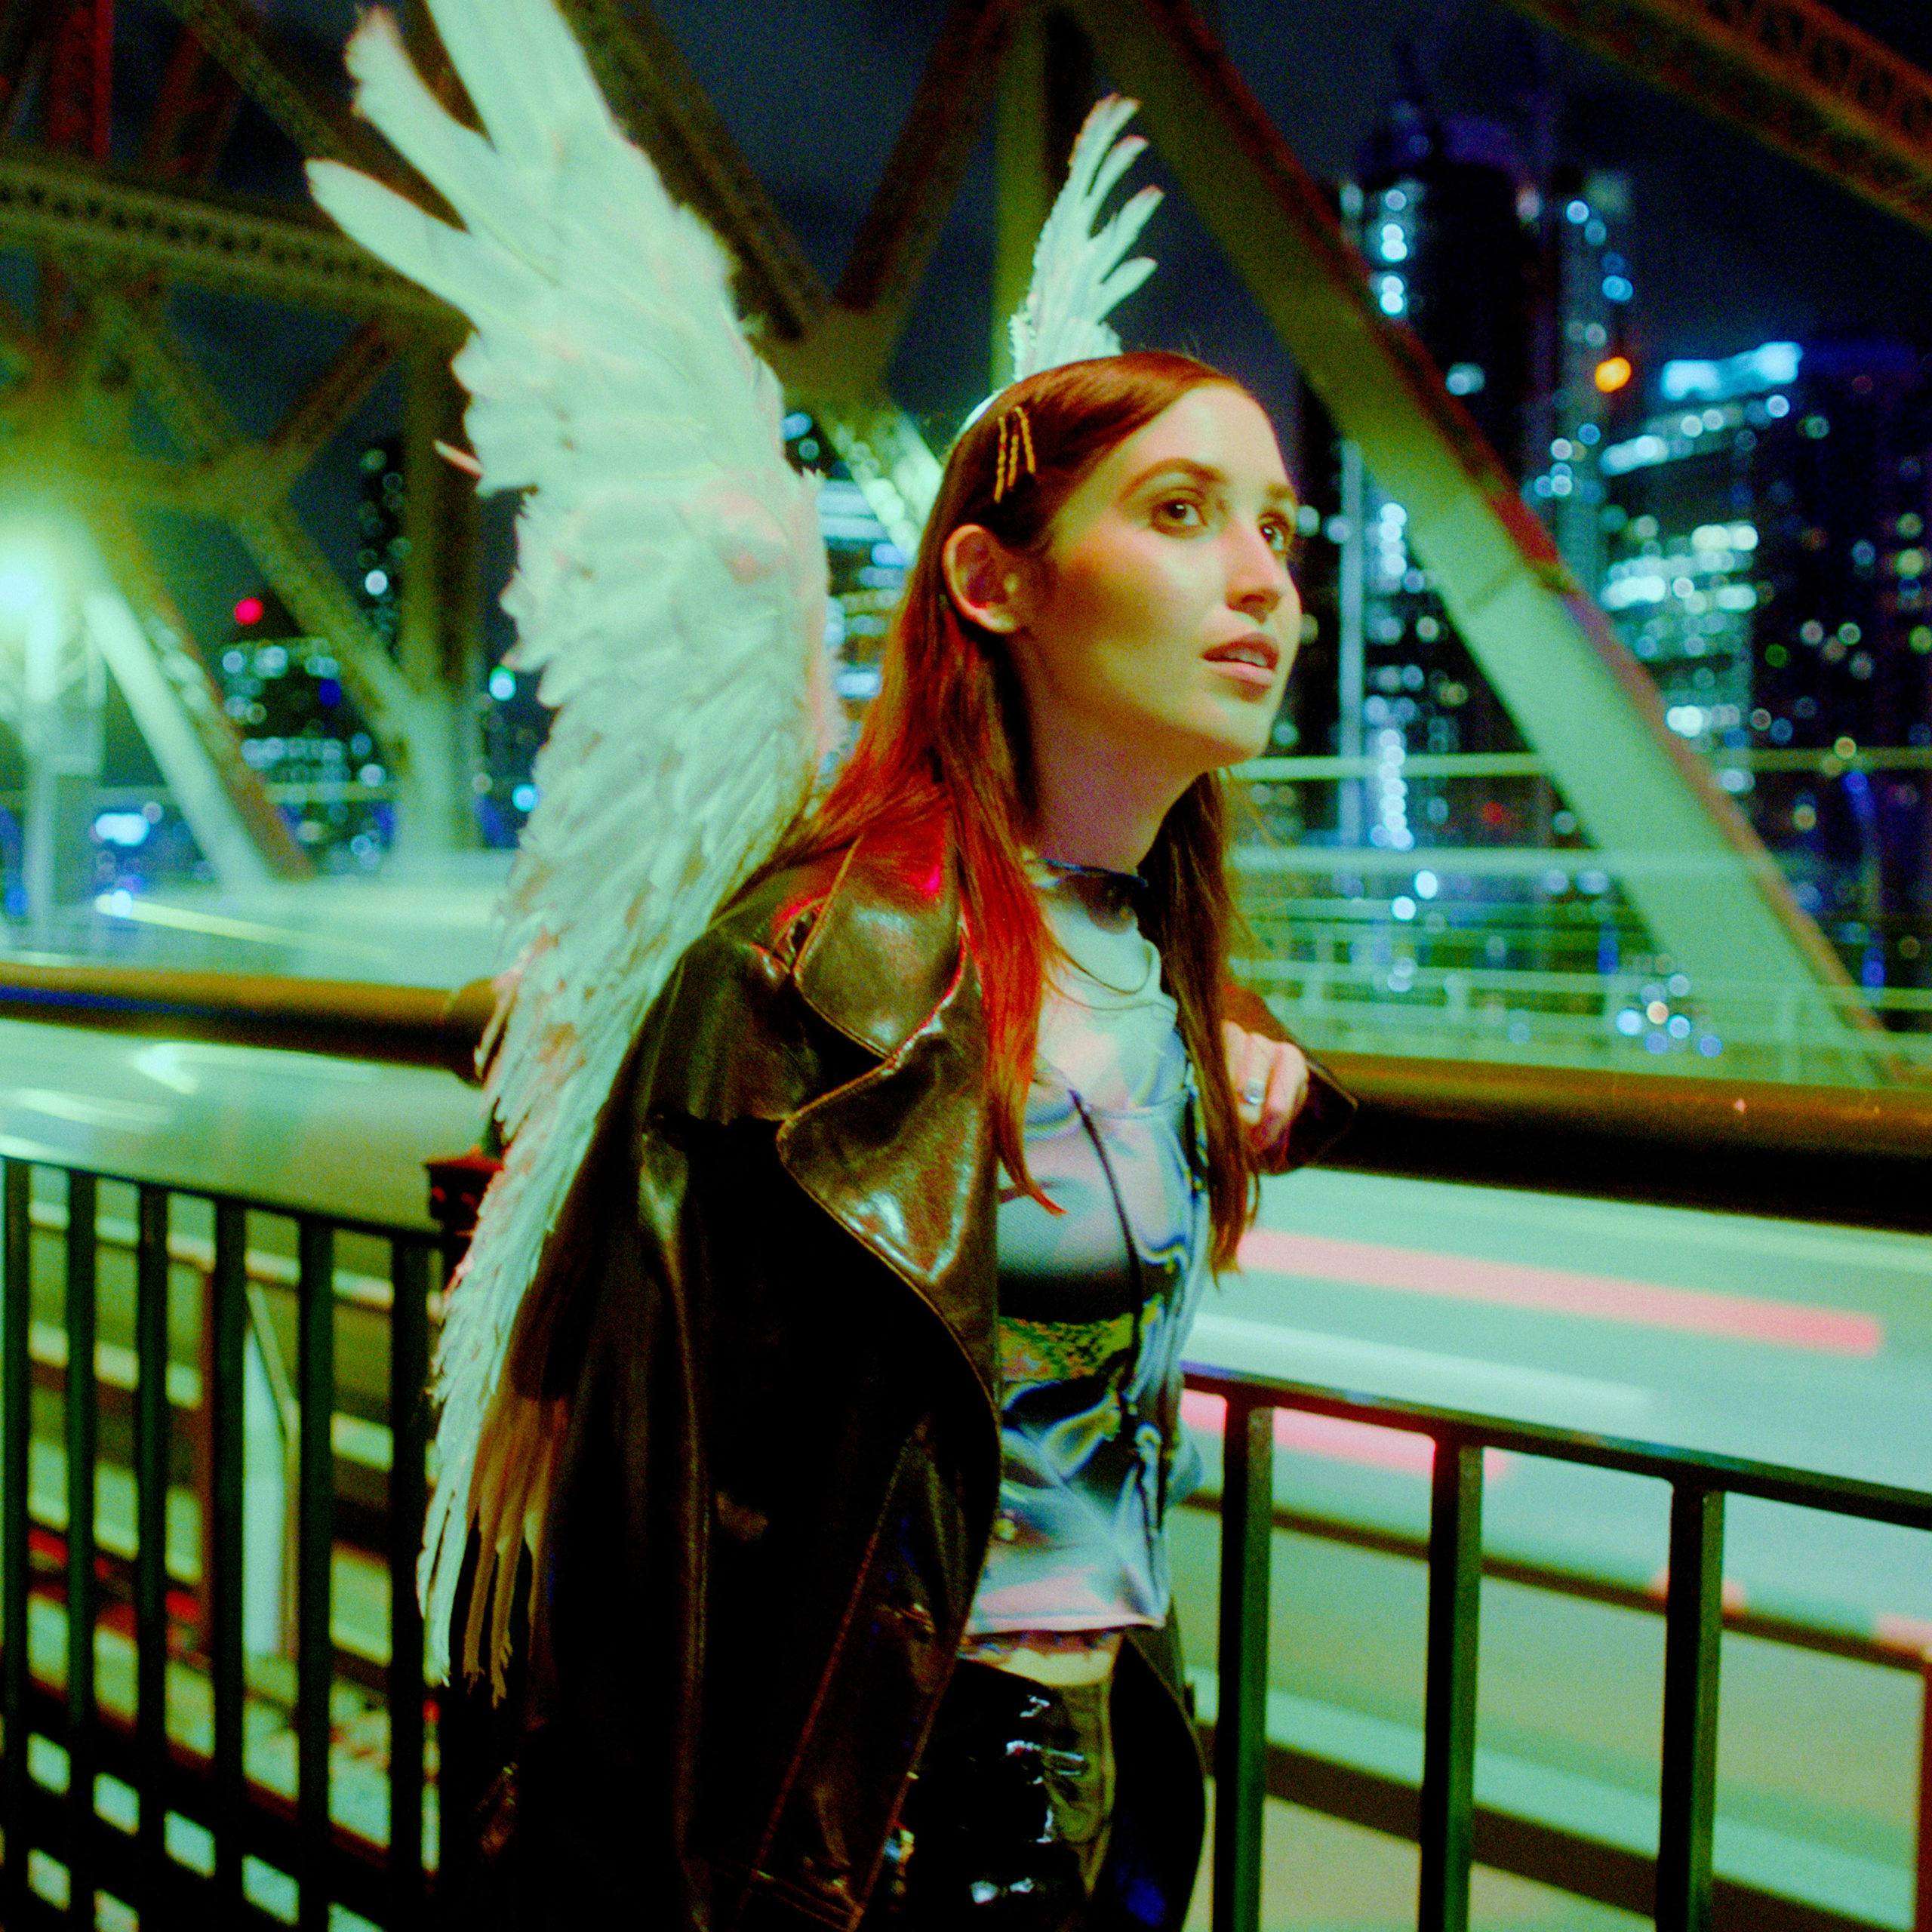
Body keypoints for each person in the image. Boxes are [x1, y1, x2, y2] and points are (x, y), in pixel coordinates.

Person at [479, 347, 1355, 1930]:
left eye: (1277, 530)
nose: (1261, 582)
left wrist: (1240, 1043)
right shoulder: (796, 984)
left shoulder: (1153, 966)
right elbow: (645, 1525)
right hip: (873, 1802)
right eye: (1179, 512)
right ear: (989, 582)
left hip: (1112, 1748)